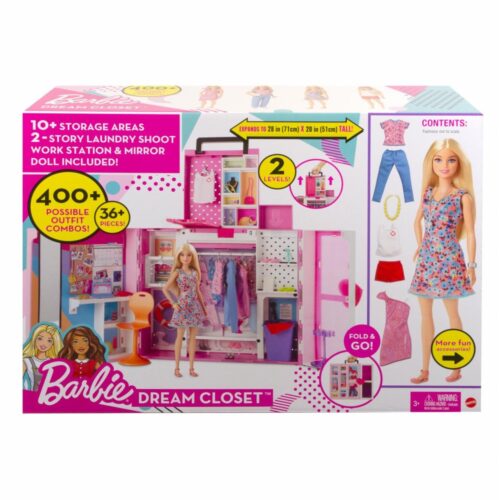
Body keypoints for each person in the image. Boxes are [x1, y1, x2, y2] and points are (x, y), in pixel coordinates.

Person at [409, 139, 476, 384]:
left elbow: (471, 232)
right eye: (438, 159)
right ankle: (424, 370)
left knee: (452, 314)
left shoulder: (462, 197)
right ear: (431, 162)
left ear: (459, 163)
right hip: (427, 261)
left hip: (450, 261)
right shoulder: (427, 193)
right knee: (425, 316)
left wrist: (472, 265)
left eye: (451, 160)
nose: (444, 165)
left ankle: (456, 367)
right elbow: (416, 222)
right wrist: (420, 245)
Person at [163, 243, 207, 377]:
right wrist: (173, 303)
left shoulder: (195, 273)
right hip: (182, 306)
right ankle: (176, 368)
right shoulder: (177, 272)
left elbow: (198, 291)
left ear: (193, 257)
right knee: (180, 337)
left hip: (194, 307)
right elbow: (165, 288)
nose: (185, 258)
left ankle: (191, 368)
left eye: (188, 255)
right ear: (179, 257)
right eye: (182, 255)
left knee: (193, 339)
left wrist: (204, 308)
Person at [23, 323, 63, 391]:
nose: (44, 343)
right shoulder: (27, 361)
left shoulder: (55, 362)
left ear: (53, 344)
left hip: (52, 396)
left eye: (49, 341)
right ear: (34, 339)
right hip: (34, 396)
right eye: (40, 338)